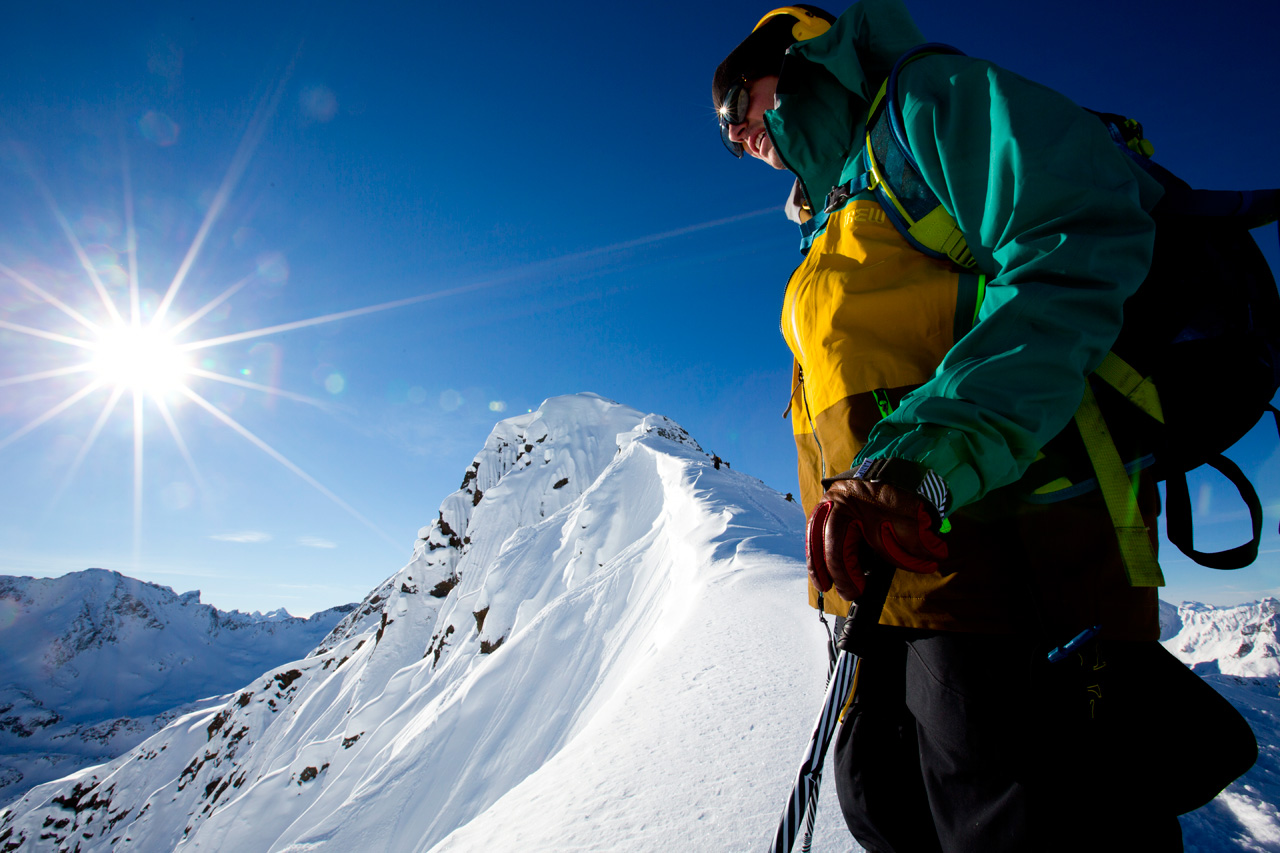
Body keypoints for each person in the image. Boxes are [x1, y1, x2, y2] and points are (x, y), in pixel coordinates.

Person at [712, 2, 1256, 850]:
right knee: (884, 804)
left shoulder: (924, 106)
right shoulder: (833, 221)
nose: (735, 134)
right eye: (727, 130)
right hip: (894, 595)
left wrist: (922, 465)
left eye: (736, 102)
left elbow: (1073, 242)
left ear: (798, 57)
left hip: (1011, 569)